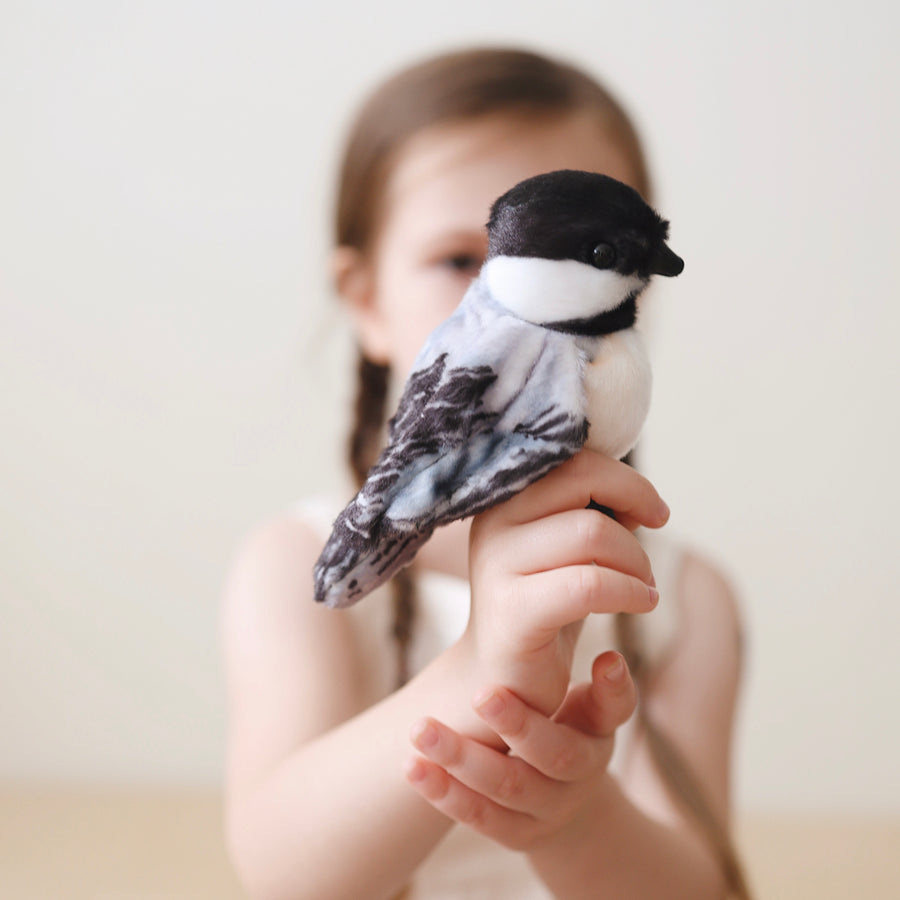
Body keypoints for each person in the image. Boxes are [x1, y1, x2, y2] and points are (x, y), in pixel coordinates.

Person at [222, 47, 750, 900]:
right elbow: (284, 875)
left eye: (589, 252)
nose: (517, 307)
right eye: (460, 261)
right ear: (365, 301)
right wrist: (474, 675)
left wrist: (577, 821)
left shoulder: (680, 603)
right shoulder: (291, 565)